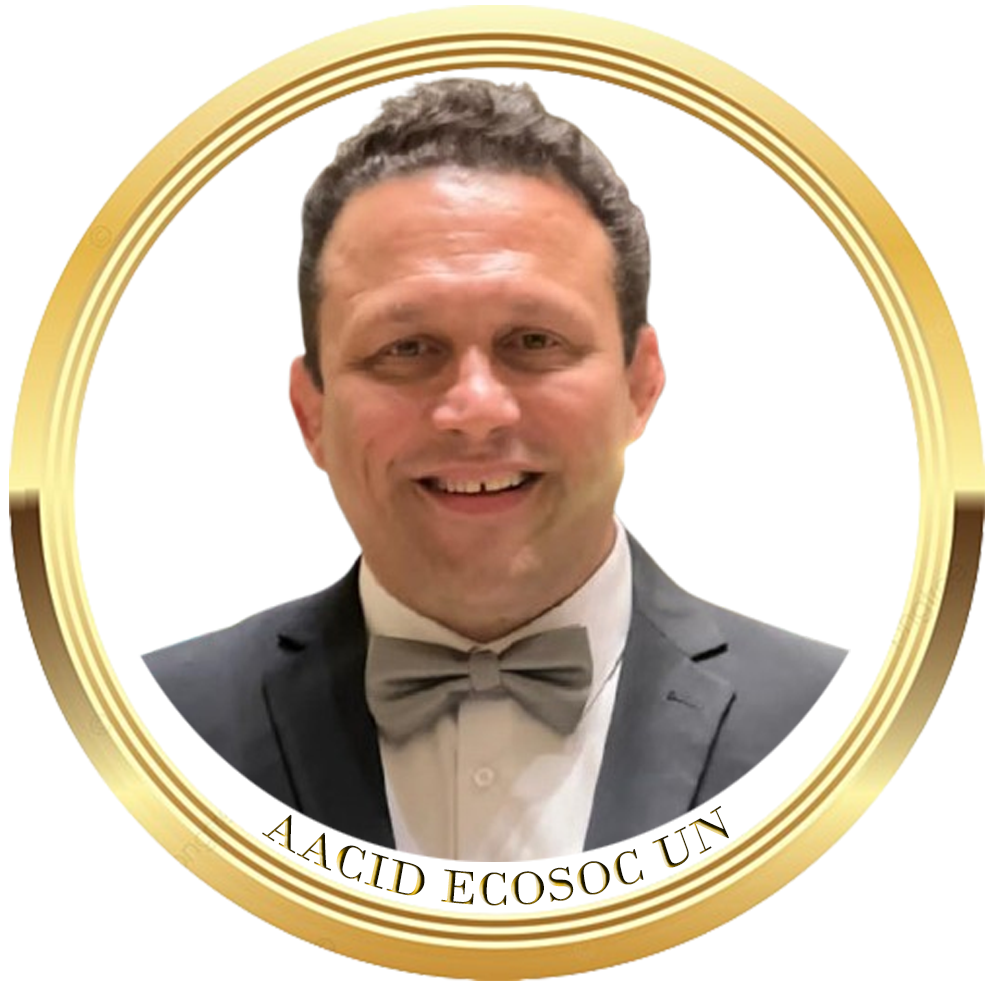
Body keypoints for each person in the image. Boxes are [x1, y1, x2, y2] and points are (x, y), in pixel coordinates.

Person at [146, 78, 844, 862]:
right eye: (406, 349)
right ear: (312, 414)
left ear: (640, 385)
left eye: (535, 341)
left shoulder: (838, 728)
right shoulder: (148, 731)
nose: (475, 409)